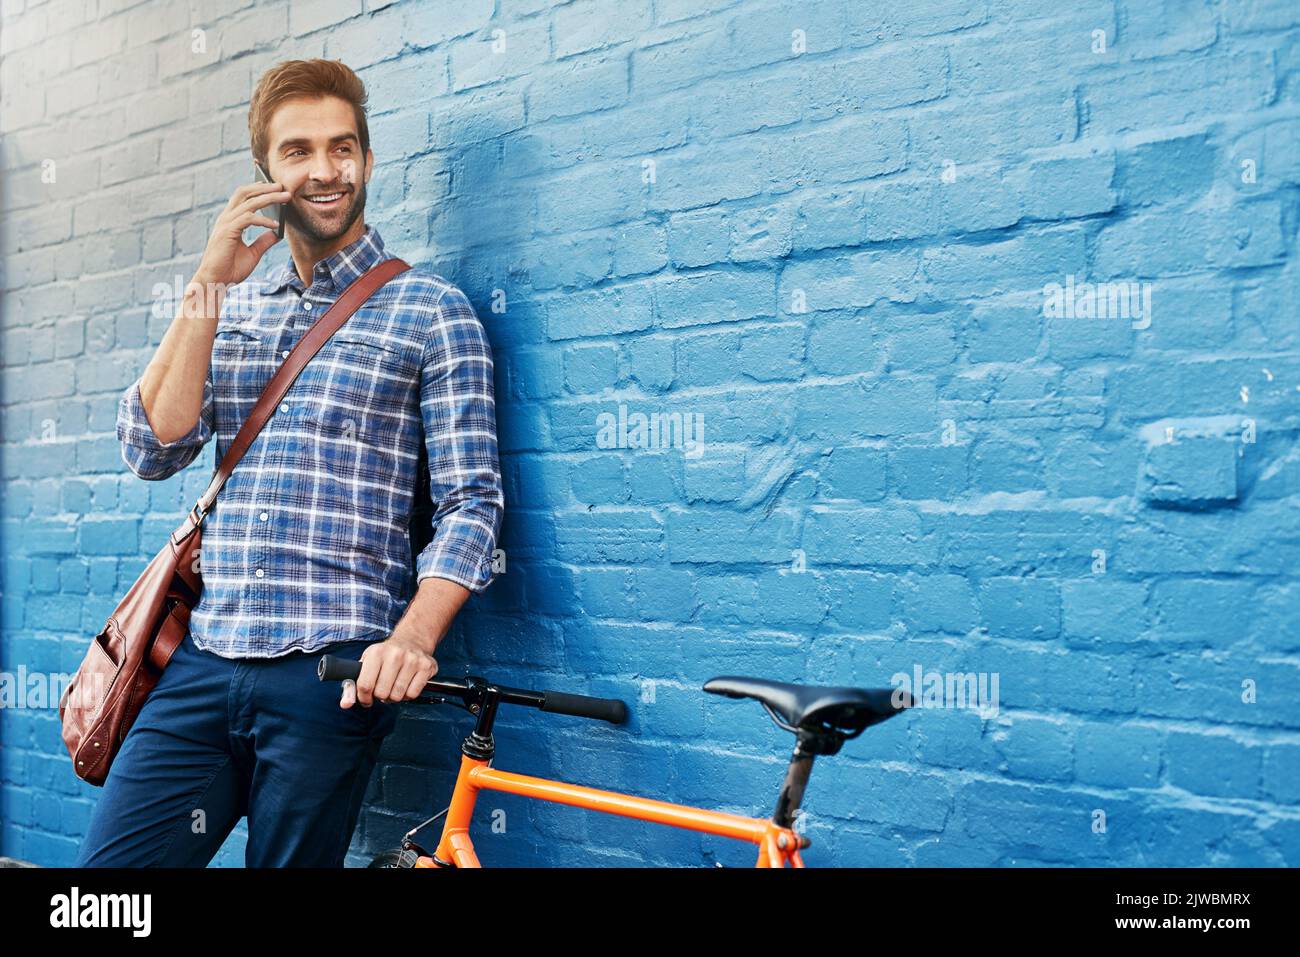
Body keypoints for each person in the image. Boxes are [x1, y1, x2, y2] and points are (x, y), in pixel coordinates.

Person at [75, 59, 504, 867]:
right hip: (201, 662)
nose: (325, 169)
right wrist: (208, 280)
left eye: (343, 148)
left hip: (326, 676)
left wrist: (412, 638)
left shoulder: (432, 312)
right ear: (268, 174)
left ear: (368, 162)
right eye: (298, 151)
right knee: (106, 889)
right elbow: (152, 448)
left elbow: (473, 505)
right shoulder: (233, 309)